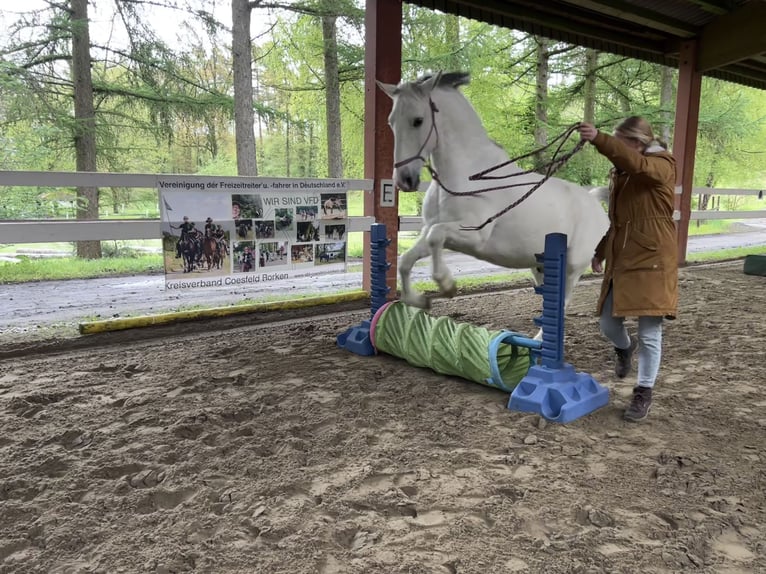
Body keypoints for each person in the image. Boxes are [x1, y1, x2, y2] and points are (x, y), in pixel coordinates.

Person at [577, 116, 678, 422]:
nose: (617, 148)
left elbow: (640, 167)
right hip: (622, 260)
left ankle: (643, 392)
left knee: (650, 332)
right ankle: (625, 346)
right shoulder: (622, 174)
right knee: (608, 324)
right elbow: (619, 223)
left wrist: (599, 139)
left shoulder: (661, 164)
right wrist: (601, 251)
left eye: (621, 142)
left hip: (653, 260)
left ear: (637, 142)